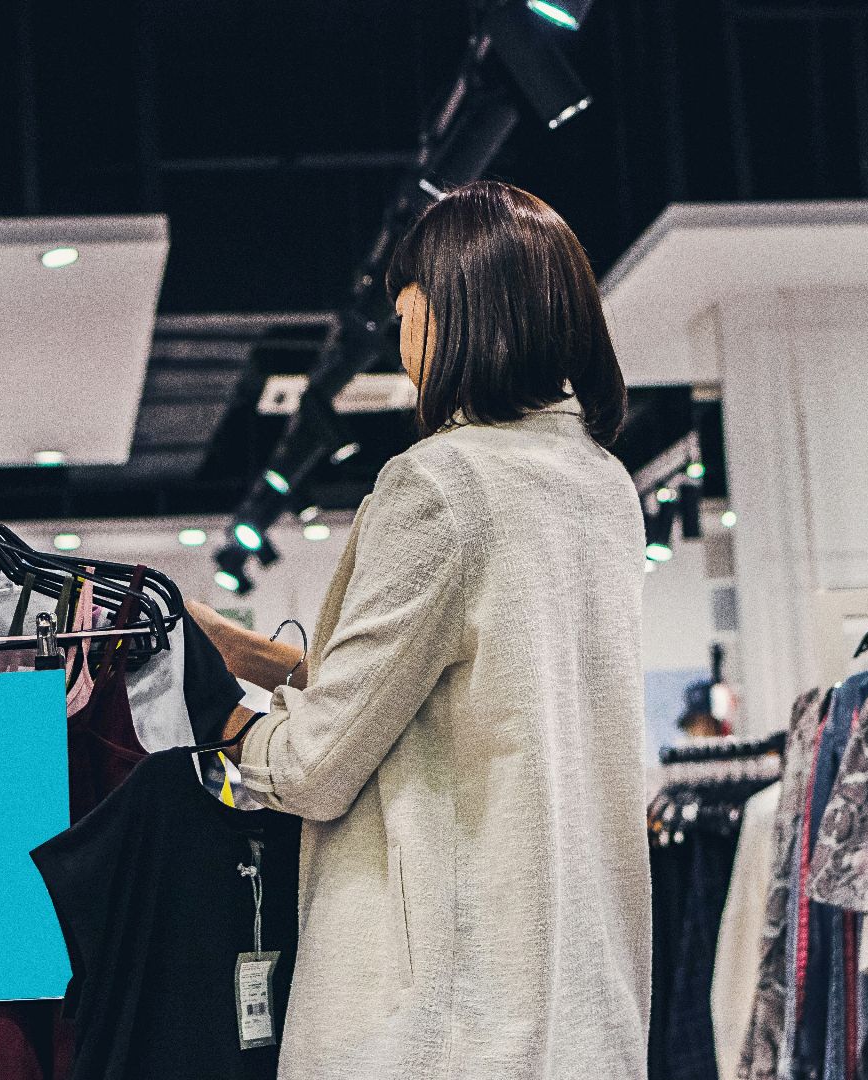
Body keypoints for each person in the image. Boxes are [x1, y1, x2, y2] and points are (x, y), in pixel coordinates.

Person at [185, 180, 651, 1079]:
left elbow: (315, 768)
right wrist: (252, 656)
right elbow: (467, 689)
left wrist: (211, 705)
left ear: (452, 312)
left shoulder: (439, 486)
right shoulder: (602, 487)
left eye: (407, 313)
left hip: (438, 1021)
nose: (403, 348)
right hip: (578, 1008)